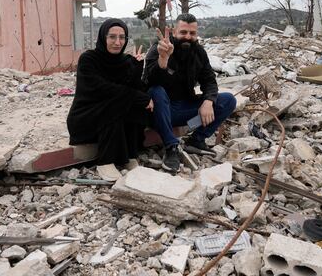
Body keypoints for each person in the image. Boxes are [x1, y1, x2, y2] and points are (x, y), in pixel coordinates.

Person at [143, 13, 236, 173]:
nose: (187, 37)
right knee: (156, 91)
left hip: (184, 109)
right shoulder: (160, 48)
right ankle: (171, 147)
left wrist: (208, 101)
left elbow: (209, 81)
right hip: (159, 111)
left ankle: (196, 140)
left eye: (192, 33)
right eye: (183, 32)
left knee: (227, 100)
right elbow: (147, 82)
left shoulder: (198, 53)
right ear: (174, 32)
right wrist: (163, 61)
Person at [67, 18, 153, 181]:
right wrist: (138, 97)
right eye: (112, 37)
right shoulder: (89, 59)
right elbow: (101, 89)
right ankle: (105, 161)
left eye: (122, 37)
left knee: (131, 104)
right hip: (86, 118)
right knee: (117, 102)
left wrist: (136, 68)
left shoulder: (126, 61)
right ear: (103, 37)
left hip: (112, 116)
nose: (117, 42)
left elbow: (134, 89)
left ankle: (128, 155)